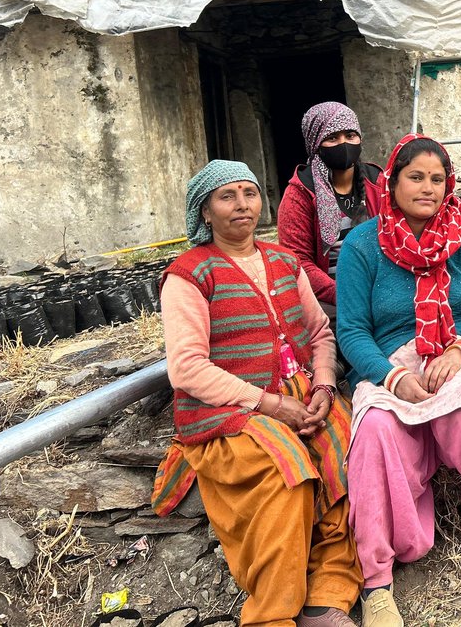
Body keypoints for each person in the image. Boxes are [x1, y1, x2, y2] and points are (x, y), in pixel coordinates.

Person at [335, 135, 461, 627]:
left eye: (437, 178)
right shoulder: (362, 245)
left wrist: (460, 350)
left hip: (460, 350)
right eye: (416, 177)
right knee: (375, 433)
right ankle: (376, 579)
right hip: (388, 363)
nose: (428, 188)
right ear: (391, 182)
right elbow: (352, 331)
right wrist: (392, 377)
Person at [151, 160, 362, 627]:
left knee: (349, 453)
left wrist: (324, 385)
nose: (242, 204)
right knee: (285, 470)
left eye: (249, 193)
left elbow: (320, 333)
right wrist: (269, 404)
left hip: (303, 395)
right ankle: (273, 612)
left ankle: (328, 593)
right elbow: (186, 368)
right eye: (227, 196)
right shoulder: (189, 275)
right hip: (230, 412)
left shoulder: (285, 262)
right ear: (205, 211)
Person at [278, 102, 382, 316]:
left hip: (380, 288)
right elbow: (298, 262)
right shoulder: (300, 194)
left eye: (350, 135)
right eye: (332, 138)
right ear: (315, 144)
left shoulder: (379, 182)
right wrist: (345, 296)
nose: (343, 144)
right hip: (329, 299)